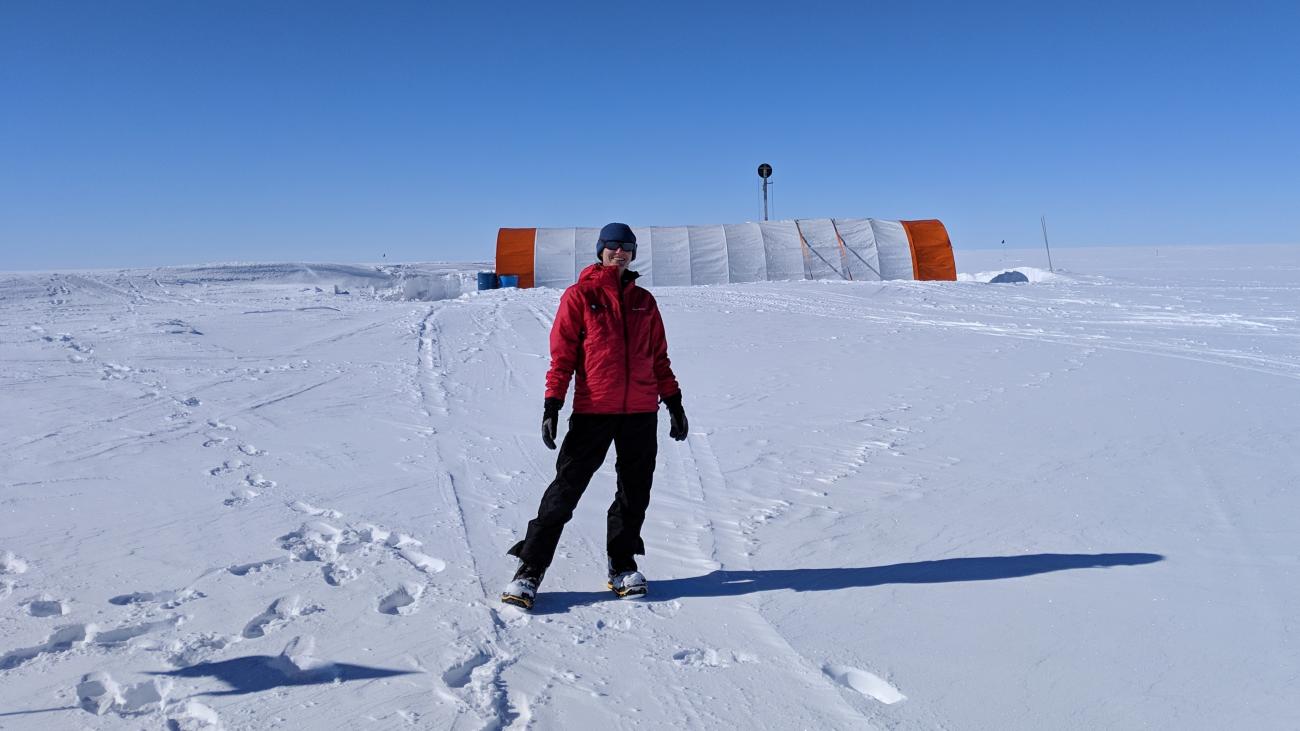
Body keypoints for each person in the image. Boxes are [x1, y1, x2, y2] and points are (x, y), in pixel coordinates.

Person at [502, 222, 688, 609]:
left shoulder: (644, 302)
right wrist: (552, 403)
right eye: (613, 246)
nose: (619, 253)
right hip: (593, 411)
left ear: (633, 253)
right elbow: (563, 356)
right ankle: (530, 569)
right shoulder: (580, 296)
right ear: (600, 250)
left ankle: (621, 564)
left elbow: (659, 358)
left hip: (639, 411)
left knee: (634, 492)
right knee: (564, 492)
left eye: (627, 247)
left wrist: (673, 402)